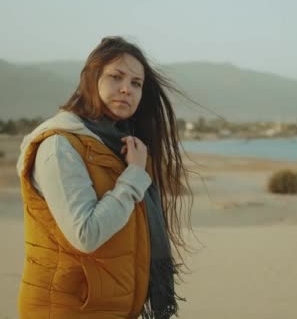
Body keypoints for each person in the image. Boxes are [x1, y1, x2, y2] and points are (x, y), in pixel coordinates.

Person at [16, 36, 192, 318]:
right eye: (116, 77)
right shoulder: (59, 145)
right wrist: (134, 175)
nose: (126, 89)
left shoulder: (118, 145)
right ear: (92, 78)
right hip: (67, 310)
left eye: (136, 83)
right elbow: (86, 234)